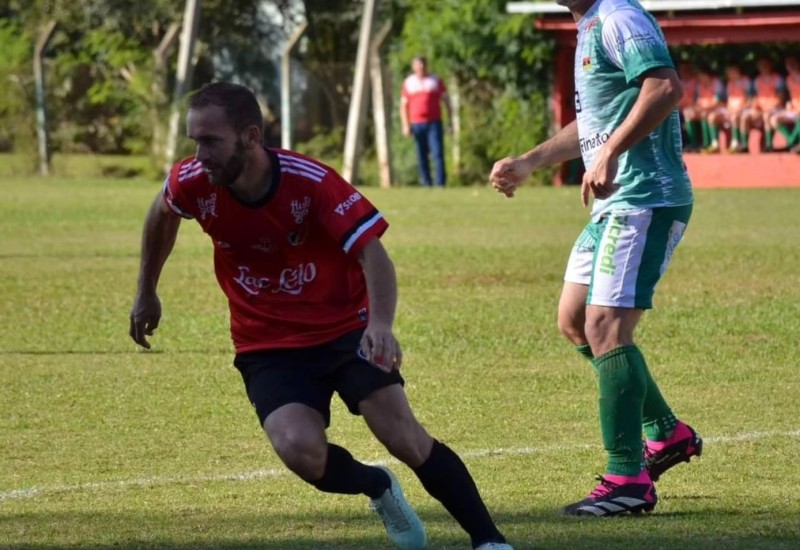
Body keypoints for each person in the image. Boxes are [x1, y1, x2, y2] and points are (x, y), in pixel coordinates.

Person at [129, 82, 511, 550]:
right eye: (194, 141)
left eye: (211, 141)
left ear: (250, 137)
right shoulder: (193, 181)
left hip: (345, 328)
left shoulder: (309, 182)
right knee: (300, 453)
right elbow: (161, 213)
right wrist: (147, 290)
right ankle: (378, 487)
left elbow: (374, 255)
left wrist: (381, 325)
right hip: (266, 341)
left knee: (403, 436)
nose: (199, 154)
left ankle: (489, 540)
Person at [489, 0, 702, 517]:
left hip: (646, 197)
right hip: (614, 204)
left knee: (605, 325)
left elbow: (665, 88)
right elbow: (594, 128)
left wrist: (610, 154)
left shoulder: (619, 17)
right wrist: (530, 161)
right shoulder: (589, 25)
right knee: (575, 322)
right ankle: (666, 433)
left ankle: (628, 478)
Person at [400, 56, 453, 187]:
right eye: (418, 65)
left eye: (423, 65)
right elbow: (403, 106)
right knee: (421, 154)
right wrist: (405, 125)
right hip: (417, 123)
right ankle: (426, 182)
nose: (421, 68)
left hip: (434, 122)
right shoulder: (409, 83)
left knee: (437, 153)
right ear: (413, 67)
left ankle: (440, 183)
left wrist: (450, 120)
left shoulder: (435, 80)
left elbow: (446, 101)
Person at [740, 57, 787, 152]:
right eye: (761, 65)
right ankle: (744, 145)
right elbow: (754, 97)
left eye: (765, 65)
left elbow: (781, 98)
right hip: (760, 108)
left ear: (770, 65)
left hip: (775, 108)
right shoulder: (757, 80)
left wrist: (770, 108)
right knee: (745, 117)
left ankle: (768, 144)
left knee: (767, 116)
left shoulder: (777, 79)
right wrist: (755, 108)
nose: (763, 67)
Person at [710, 63, 753, 153]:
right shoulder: (730, 83)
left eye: (731, 71)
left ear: (737, 71)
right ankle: (715, 144)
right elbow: (729, 99)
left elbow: (750, 100)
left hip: (743, 109)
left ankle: (736, 143)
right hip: (730, 109)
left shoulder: (746, 81)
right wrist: (729, 109)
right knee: (713, 116)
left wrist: (740, 110)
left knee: (735, 117)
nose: (729, 74)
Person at [769, 56, 800, 153]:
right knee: (775, 119)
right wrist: (789, 103)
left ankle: (791, 142)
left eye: (793, 63)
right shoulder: (788, 79)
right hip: (794, 110)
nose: (791, 66)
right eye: (788, 64)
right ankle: (793, 141)